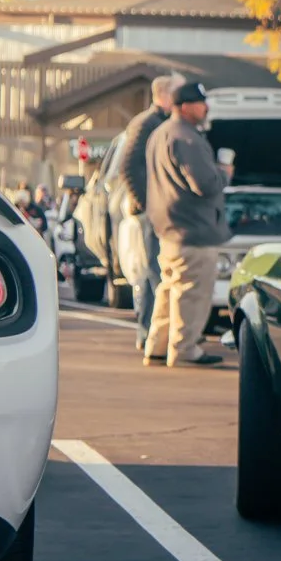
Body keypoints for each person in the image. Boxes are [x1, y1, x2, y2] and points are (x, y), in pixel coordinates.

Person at [144, 81, 230, 368]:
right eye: (200, 102)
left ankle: (157, 346)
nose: (205, 107)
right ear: (184, 106)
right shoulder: (188, 138)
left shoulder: (160, 134)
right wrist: (224, 173)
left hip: (169, 229)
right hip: (194, 230)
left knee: (169, 289)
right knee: (192, 294)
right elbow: (205, 184)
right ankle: (184, 350)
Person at [112, 75, 182, 349]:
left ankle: (155, 335)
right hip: (149, 213)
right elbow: (127, 167)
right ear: (164, 95)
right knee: (153, 272)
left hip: (157, 211)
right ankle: (148, 335)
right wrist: (148, 204)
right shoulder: (146, 124)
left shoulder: (157, 122)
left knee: (157, 272)